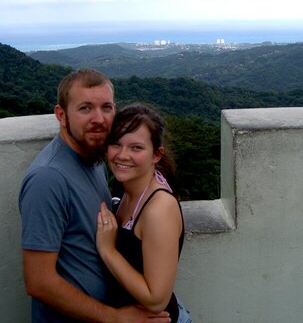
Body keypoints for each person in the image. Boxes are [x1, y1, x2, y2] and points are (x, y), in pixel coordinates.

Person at [19, 68, 171, 323]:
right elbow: (38, 282)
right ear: (61, 115)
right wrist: (114, 317)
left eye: (107, 107)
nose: (99, 119)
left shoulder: (96, 157)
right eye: (85, 108)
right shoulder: (49, 178)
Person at [96, 103, 192, 323]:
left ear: (156, 155)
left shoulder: (158, 210)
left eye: (136, 148)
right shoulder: (129, 191)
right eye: (116, 144)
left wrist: (107, 250)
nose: (122, 155)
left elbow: (156, 299)